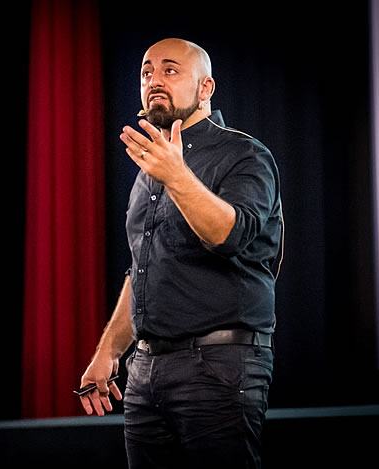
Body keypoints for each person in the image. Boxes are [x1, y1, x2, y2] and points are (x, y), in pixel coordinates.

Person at [78, 38, 283, 468]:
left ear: (206, 88)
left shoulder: (243, 154)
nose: (154, 80)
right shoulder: (150, 171)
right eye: (146, 72)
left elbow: (229, 235)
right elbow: (144, 269)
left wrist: (177, 176)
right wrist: (108, 352)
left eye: (170, 70)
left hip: (219, 368)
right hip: (145, 372)